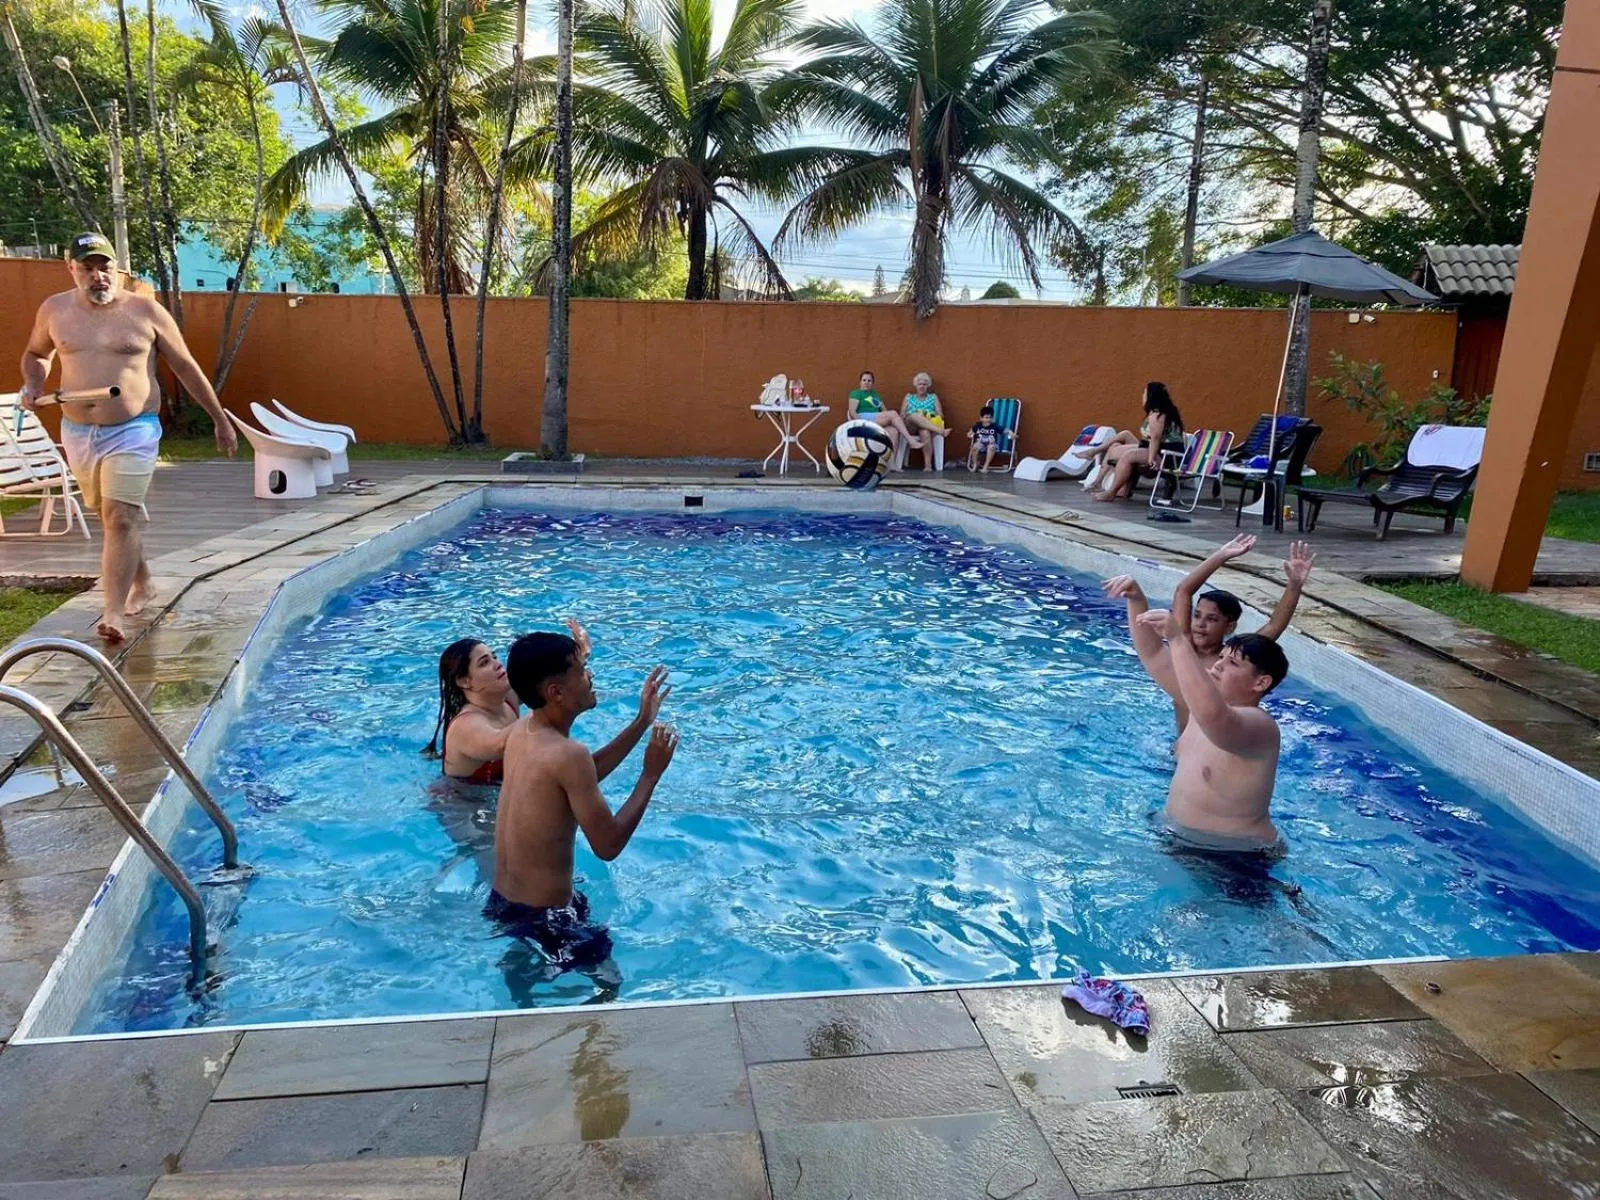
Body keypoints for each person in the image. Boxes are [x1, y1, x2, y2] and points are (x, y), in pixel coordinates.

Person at [19, 233, 237, 642]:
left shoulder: (145, 312)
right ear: (72, 269)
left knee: (120, 517)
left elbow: (186, 367)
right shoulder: (55, 310)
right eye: (87, 267)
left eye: (104, 267)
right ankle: (144, 582)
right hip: (79, 431)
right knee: (113, 517)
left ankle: (112, 613)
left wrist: (219, 419)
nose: (97, 276)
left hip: (135, 430)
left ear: (117, 270)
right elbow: (36, 354)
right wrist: (32, 384)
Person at [487, 630, 677, 972]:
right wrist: (651, 774)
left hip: (504, 903)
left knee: (524, 979)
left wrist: (641, 722)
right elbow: (608, 845)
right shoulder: (568, 754)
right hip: (548, 920)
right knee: (610, 984)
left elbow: (578, 779)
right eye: (581, 670)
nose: (590, 676)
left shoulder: (523, 731)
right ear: (555, 692)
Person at [1103, 535, 1314, 734]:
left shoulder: (1234, 662)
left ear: (1229, 627)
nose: (1200, 625)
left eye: (1212, 619)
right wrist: (1221, 555)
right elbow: (1183, 591)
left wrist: (1294, 585)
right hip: (1183, 747)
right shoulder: (1182, 649)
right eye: (1197, 616)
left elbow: (1275, 625)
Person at [1135, 601, 1289, 855]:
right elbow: (1153, 656)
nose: (1218, 665)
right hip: (1178, 837)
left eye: (1233, 664)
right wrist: (1134, 599)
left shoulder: (1260, 726)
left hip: (1238, 859)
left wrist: (1177, 639)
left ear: (1261, 682)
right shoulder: (1199, 708)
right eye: (1221, 658)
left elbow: (1215, 718)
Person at [1084, 382, 1183, 502]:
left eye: (1144, 393)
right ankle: (1101, 481)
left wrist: (1151, 458)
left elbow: (1155, 438)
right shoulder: (1158, 411)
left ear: (1151, 396)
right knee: (1115, 447)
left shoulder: (1158, 413)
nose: (1142, 396)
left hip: (1166, 455)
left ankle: (1111, 492)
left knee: (1127, 456)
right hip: (1153, 448)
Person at [847, 369, 921, 460]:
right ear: (860, 382)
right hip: (865, 419)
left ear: (872, 383)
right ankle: (910, 440)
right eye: (864, 380)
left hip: (877, 418)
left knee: (894, 431)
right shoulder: (856, 393)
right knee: (893, 413)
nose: (866, 383)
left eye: (869, 381)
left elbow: (884, 411)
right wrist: (863, 423)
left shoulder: (875, 394)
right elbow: (852, 411)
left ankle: (891, 463)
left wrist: (891, 420)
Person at [900, 372, 951, 471]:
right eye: (919, 384)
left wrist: (928, 416)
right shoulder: (909, 397)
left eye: (924, 384)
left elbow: (940, 415)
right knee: (915, 415)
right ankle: (940, 431)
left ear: (928, 386)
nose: (922, 386)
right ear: (915, 385)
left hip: (927, 425)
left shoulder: (933, 397)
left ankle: (928, 466)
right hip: (910, 425)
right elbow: (902, 414)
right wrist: (917, 415)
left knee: (925, 433)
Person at [967, 403, 999, 472]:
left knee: (991, 447)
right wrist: (970, 434)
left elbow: (1004, 430)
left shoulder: (995, 426)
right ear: (981, 418)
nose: (988, 420)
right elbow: (971, 431)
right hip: (981, 444)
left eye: (990, 417)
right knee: (975, 447)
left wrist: (1011, 433)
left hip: (991, 445)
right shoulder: (978, 425)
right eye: (986, 417)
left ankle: (985, 466)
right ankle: (975, 464)